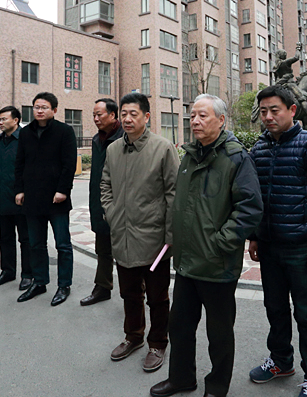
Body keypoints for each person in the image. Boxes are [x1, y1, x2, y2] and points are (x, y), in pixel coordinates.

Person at [150, 94, 263, 397]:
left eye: (203, 116)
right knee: (180, 327)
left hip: (217, 264)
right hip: (187, 262)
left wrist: (220, 243)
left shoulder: (236, 158)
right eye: (193, 116)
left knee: (219, 334)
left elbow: (250, 207)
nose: (195, 121)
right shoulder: (190, 155)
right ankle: (181, 378)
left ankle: (216, 387)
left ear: (221, 120)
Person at [247, 85, 307, 397]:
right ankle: (281, 360)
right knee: (274, 308)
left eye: (275, 110)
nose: (268, 117)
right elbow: (254, 198)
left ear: (292, 110)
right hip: (269, 246)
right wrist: (254, 236)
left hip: (302, 247)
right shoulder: (259, 149)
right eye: (263, 111)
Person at [101, 92, 179, 372]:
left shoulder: (163, 148)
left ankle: (158, 343)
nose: (127, 118)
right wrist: (111, 212)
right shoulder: (113, 149)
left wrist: (170, 236)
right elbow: (105, 185)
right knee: (129, 293)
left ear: (146, 116)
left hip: (154, 238)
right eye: (123, 114)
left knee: (158, 296)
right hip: (122, 235)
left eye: (133, 114)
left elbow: (174, 194)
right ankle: (133, 336)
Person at [14, 92, 77, 306]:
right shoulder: (25, 133)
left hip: (56, 199)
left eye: (44, 107)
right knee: (36, 244)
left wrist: (63, 190)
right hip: (32, 198)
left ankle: (64, 285)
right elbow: (19, 163)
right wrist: (19, 190)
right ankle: (39, 282)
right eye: (36, 107)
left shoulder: (64, 131)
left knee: (63, 245)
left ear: (54, 110)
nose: (39, 111)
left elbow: (69, 164)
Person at [80, 98, 124, 306]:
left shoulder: (124, 138)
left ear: (113, 115)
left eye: (100, 114)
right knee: (103, 250)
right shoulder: (97, 139)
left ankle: (133, 293)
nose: (96, 119)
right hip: (99, 202)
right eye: (94, 115)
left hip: (120, 204)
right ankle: (102, 288)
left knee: (125, 252)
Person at [0, 106, 32, 291]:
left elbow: (30, 168)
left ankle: (28, 274)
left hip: (22, 197)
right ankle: (7, 271)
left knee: (25, 238)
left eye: (4, 119)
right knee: (5, 237)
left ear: (16, 120)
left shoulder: (26, 139)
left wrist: (24, 190)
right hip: (3, 195)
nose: (0, 122)